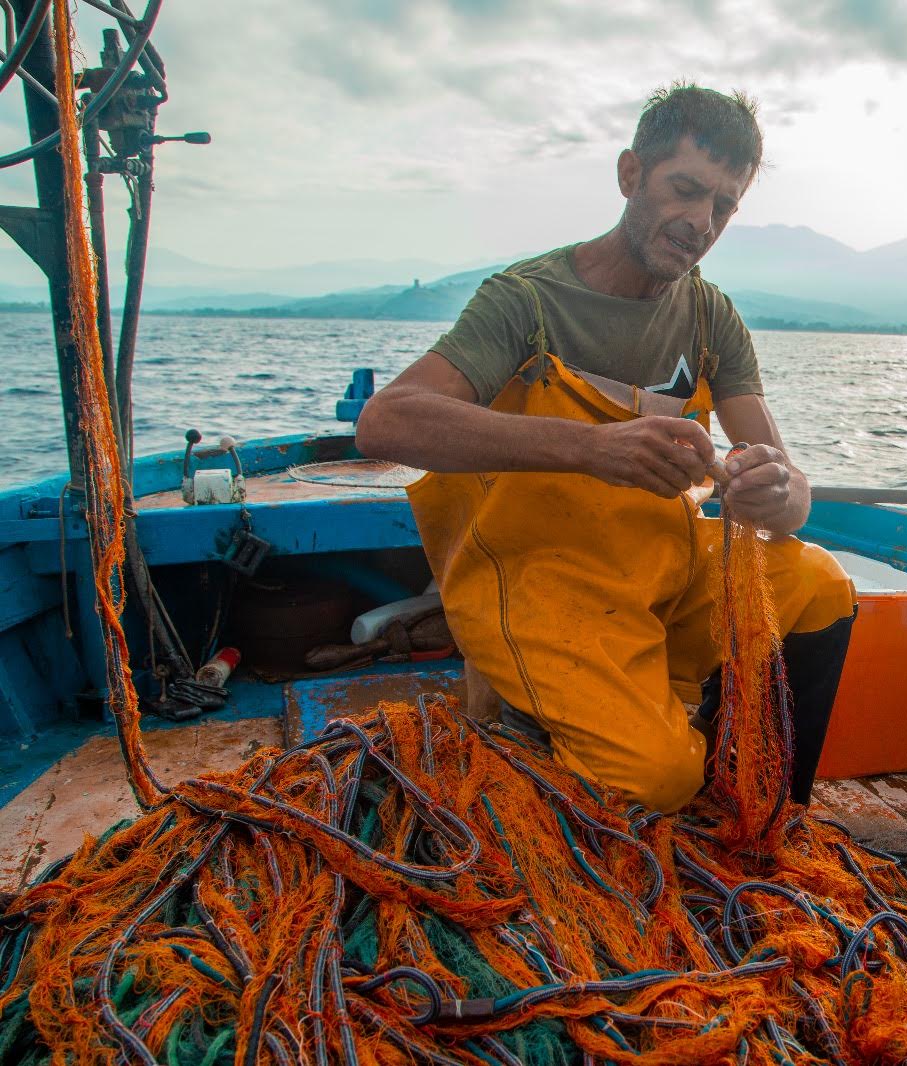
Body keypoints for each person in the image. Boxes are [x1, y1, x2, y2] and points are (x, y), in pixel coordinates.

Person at [355, 84, 856, 814]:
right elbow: (387, 422)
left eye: (722, 206)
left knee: (821, 585)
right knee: (655, 778)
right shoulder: (524, 301)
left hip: (662, 569)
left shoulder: (711, 317)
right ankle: (541, 724)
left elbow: (793, 502)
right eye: (684, 190)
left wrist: (775, 492)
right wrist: (592, 448)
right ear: (630, 175)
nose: (700, 222)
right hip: (542, 582)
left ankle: (757, 808)